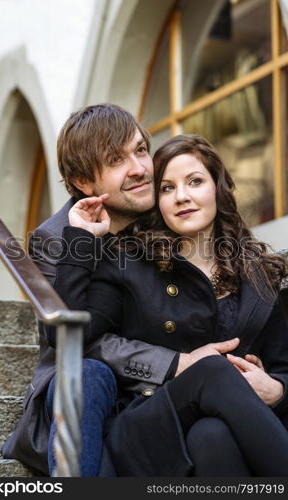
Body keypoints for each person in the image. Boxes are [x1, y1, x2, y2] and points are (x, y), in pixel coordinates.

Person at [47, 134, 288, 476]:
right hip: (148, 424)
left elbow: (283, 366)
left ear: (217, 189)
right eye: (167, 188)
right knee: (214, 369)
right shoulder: (128, 262)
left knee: (212, 436)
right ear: (156, 201)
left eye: (195, 182)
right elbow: (72, 335)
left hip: (219, 431)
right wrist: (81, 240)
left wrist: (277, 390)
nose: (183, 197)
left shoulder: (259, 276)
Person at [2, 104, 188, 476]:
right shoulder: (53, 239)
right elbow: (78, 339)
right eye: (116, 160)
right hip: (85, 391)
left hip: (157, 398)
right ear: (84, 182)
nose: (139, 168)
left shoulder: (169, 215)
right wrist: (174, 363)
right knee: (88, 372)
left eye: (139, 150)